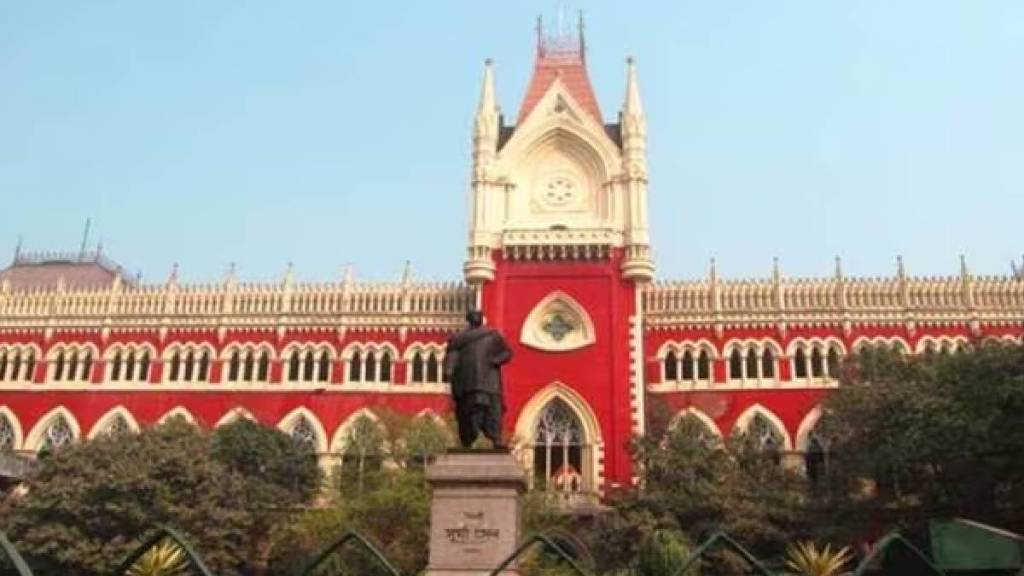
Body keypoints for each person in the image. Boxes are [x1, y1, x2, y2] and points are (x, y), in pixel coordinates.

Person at [443, 310, 512, 448]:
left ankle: (495, 438)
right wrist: (448, 371)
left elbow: (507, 352)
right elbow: (452, 356)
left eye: (478, 316)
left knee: (493, 409)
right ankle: (467, 439)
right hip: (466, 380)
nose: (477, 318)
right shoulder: (459, 338)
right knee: (467, 409)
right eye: (474, 316)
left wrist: (495, 360)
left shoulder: (492, 335)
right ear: (469, 319)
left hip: (489, 380)